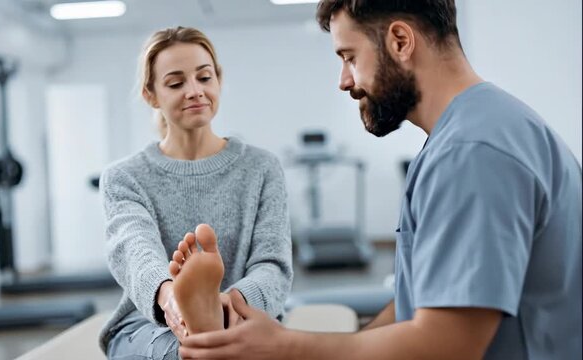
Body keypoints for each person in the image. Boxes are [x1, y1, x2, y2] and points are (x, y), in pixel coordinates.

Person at [178, 1, 583, 359]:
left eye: (349, 56)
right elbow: (423, 304)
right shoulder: (481, 130)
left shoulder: (471, 152)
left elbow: (448, 344)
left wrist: (284, 348)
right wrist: (289, 338)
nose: (345, 80)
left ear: (400, 41)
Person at [98, 26, 293, 360]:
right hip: (150, 325)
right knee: (182, 349)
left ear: (218, 80)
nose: (194, 91)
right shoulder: (124, 178)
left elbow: (272, 265)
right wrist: (173, 300)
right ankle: (202, 332)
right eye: (176, 83)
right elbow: (136, 250)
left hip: (243, 316)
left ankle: (209, 327)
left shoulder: (261, 168)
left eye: (204, 78)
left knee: (217, 344)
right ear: (151, 95)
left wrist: (229, 304)